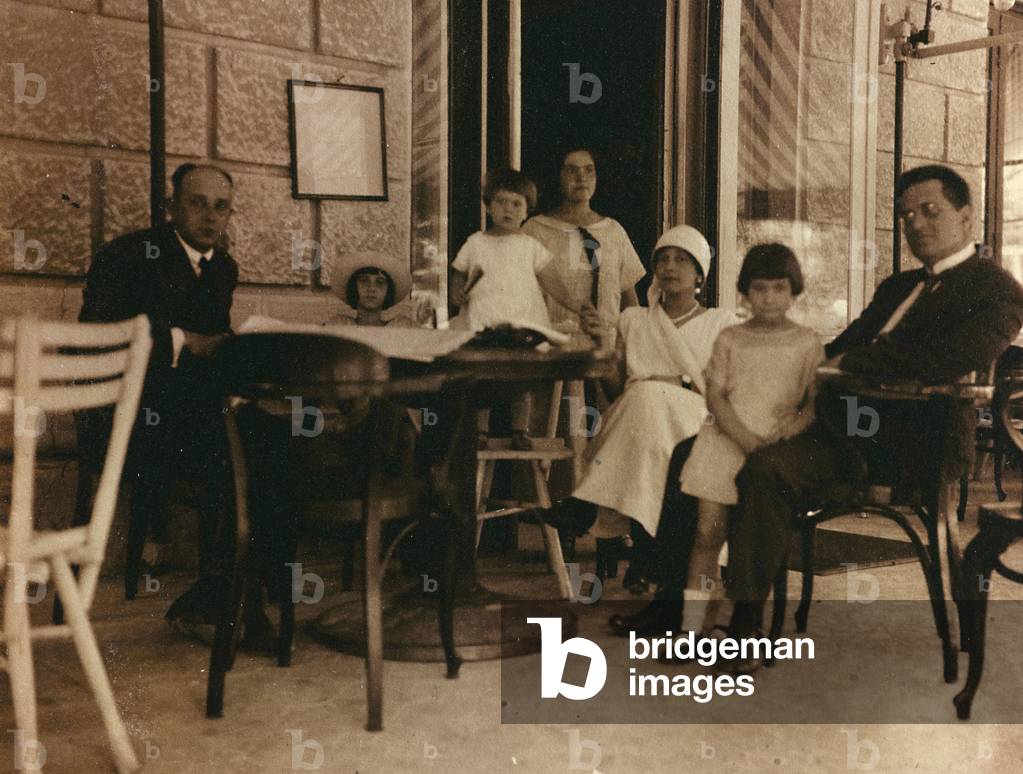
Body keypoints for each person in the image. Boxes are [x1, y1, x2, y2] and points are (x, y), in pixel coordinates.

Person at [723, 165, 1023, 670]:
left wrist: (850, 365)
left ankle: (744, 628)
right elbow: (844, 346)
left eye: (931, 212)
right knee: (704, 448)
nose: (916, 225)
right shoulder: (897, 286)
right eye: (906, 215)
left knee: (765, 468)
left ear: (966, 216)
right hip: (843, 435)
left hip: (915, 446)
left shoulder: (996, 290)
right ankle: (670, 600)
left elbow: (947, 359)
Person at [79, 162, 269, 646]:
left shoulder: (223, 268)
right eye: (197, 203)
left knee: (270, 440)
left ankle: (236, 596)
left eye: (220, 206)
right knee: (235, 454)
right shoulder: (128, 256)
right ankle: (223, 600)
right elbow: (96, 340)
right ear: (172, 207)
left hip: (193, 414)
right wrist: (185, 341)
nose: (209, 216)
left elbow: (212, 347)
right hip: (129, 416)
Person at [536, 225, 739, 632]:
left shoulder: (721, 322)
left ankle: (589, 500)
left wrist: (671, 387)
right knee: (644, 404)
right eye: (662, 259)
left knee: (647, 399)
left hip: (697, 421)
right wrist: (602, 351)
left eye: (681, 259)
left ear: (700, 274)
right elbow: (616, 391)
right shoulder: (633, 320)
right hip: (641, 424)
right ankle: (662, 590)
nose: (669, 267)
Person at [678, 244, 822, 637]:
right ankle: (692, 630)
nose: (769, 298)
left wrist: (789, 430)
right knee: (707, 537)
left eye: (779, 288)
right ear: (745, 292)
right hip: (724, 443)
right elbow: (715, 394)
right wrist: (743, 437)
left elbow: (813, 402)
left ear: (794, 291)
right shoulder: (731, 338)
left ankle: (741, 624)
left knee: (752, 540)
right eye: (759, 288)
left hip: (773, 451)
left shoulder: (808, 342)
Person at [450, 167, 594, 450]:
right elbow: (458, 275)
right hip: (485, 322)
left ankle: (520, 430)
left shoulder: (530, 246)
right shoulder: (475, 243)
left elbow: (553, 282)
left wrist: (578, 306)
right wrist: (458, 294)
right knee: (483, 375)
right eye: (501, 202)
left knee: (521, 378)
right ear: (489, 206)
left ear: (527, 211)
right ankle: (479, 431)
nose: (508, 209)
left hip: (522, 323)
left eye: (516, 204)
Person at [522, 146, 645, 344]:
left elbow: (629, 302)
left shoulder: (613, 231)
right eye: (572, 170)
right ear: (558, 175)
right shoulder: (535, 230)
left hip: (605, 351)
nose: (582, 178)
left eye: (589, 170)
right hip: (552, 350)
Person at [324, 251, 422, 328]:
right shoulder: (339, 325)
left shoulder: (402, 327)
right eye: (363, 281)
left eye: (380, 282)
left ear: (388, 290)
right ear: (353, 287)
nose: (371, 288)